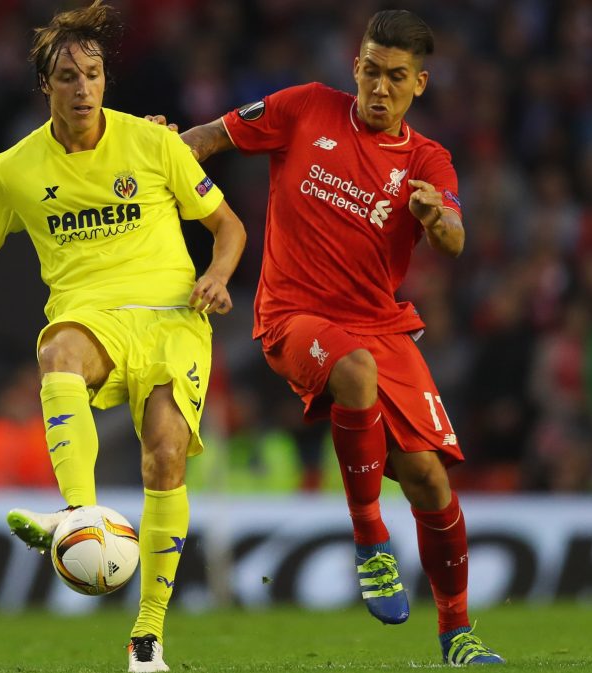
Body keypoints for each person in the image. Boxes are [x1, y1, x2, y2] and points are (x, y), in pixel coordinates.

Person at [0, 3, 246, 671]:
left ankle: (147, 634)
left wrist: (218, 273)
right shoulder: (15, 169)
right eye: (69, 76)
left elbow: (229, 225)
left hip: (175, 316)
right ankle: (79, 514)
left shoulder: (154, 144)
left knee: (166, 458)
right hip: (91, 313)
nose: (84, 87)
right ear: (47, 85)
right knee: (57, 352)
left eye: (93, 74)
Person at [156, 9, 503, 666]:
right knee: (355, 369)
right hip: (294, 314)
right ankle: (371, 539)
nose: (379, 88)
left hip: (381, 321)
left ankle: (458, 635)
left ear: (420, 84)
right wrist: (158, 142)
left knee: (429, 480)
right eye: (370, 71)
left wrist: (434, 217)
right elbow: (205, 138)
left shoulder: (429, 161)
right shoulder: (305, 108)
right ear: (355, 68)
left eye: (396, 77)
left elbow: (455, 237)